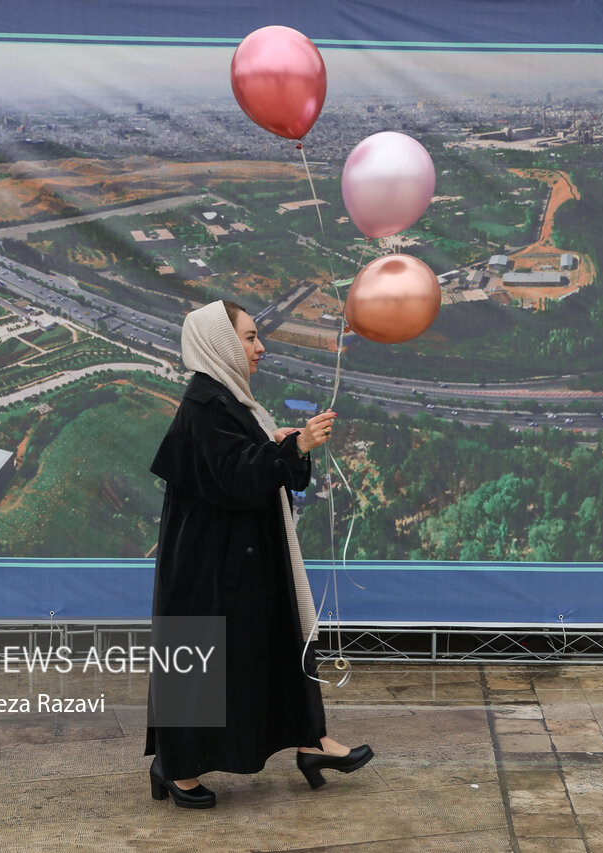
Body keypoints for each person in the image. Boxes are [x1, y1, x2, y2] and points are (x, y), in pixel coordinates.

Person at [144, 299, 373, 809]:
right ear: (221, 344)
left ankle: (311, 742)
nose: (259, 347)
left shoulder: (231, 399)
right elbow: (237, 475)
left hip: (239, 556)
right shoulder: (205, 403)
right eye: (249, 338)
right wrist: (292, 448)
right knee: (198, 653)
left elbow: (245, 461)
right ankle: (175, 767)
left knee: (277, 640)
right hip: (207, 563)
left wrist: (282, 443)